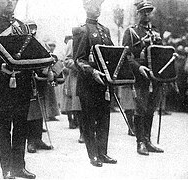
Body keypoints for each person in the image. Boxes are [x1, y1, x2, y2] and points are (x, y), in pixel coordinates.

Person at [0, 0, 36, 179]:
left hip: (23, 83)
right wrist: (0, 67)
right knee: (5, 127)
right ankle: (6, 169)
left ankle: (19, 167)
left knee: (21, 126)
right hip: (2, 83)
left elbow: (30, 51)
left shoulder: (22, 26)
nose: (10, 2)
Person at [73, 0, 117, 167]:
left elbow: (112, 54)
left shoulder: (105, 31)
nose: (97, 7)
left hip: (104, 84)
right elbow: (78, 60)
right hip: (88, 84)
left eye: (100, 4)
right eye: (93, 4)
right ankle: (93, 155)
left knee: (104, 118)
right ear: (85, 7)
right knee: (90, 120)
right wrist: (92, 71)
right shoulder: (81, 30)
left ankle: (103, 152)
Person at [122, 0, 164, 155]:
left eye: (149, 11)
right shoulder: (132, 32)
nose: (146, 14)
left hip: (155, 76)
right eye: (143, 11)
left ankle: (148, 140)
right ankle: (140, 142)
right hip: (140, 76)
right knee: (141, 108)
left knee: (151, 109)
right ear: (138, 13)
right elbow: (126, 55)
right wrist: (138, 67)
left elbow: (161, 52)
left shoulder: (156, 31)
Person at [25, 21, 53, 153]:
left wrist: (48, 70)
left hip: (40, 80)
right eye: (29, 28)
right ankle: (30, 141)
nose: (32, 30)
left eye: (34, 27)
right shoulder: (22, 43)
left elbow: (48, 57)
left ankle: (38, 139)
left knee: (39, 110)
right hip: (27, 80)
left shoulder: (40, 42)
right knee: (30, 112)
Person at [61, 36, 84, 143]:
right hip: (77, 76)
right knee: (79, 104)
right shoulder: (72, 42)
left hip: (93, 75)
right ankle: (83, 133)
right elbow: (67, 61)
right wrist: (79, 67)